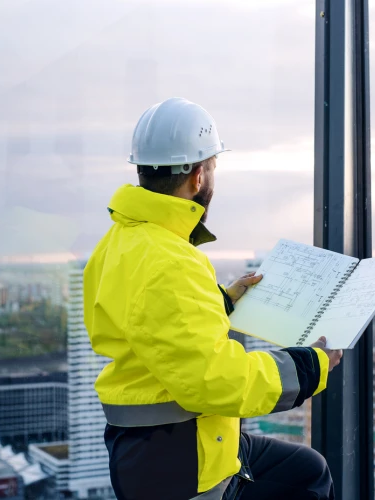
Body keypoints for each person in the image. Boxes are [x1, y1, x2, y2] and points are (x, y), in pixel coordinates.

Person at [83, 97, 343, 500]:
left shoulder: (120, 243)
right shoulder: (171, 261)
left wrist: (220, 300)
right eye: (214, 168)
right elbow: (215, 380)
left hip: (154, 447)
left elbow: (151, 322)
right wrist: (310, 366)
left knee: (307, 472)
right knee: (307, 479)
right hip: (182, 463)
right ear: (199, 177)